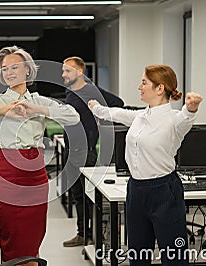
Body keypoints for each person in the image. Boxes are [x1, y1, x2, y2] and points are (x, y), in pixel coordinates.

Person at [0, 46, 80, 264]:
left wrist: (37, 110)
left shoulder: (38, 100)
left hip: (35, 174)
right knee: (12, 239)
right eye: (4, 69)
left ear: (27, 71)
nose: (9, 72)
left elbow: (73, 116)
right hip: (7, 174)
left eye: (15, 67)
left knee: (33, 239)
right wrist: (1, 110)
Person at [88, 64, 203, 265]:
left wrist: (191, 107)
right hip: (136, 190)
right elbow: (115, 113)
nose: (139, 87)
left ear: (160, 88)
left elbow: (186, 118)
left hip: (164, 191)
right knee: (138, 253)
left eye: (144, 83)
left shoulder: (174, 120)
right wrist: (96, 108)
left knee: (173, 256)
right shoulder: (140, 116)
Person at [61, 56, 124, 248]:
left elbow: (118, 102)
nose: (63, 74)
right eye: (62, 71)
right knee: (78, 196)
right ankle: (83, 234)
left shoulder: (91, 91)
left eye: (67, 71)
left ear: (80, 72)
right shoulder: (71, 92)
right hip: (70, 151)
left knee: (90, 198)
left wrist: (101, 116)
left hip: (85, 152)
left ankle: (97, 235)